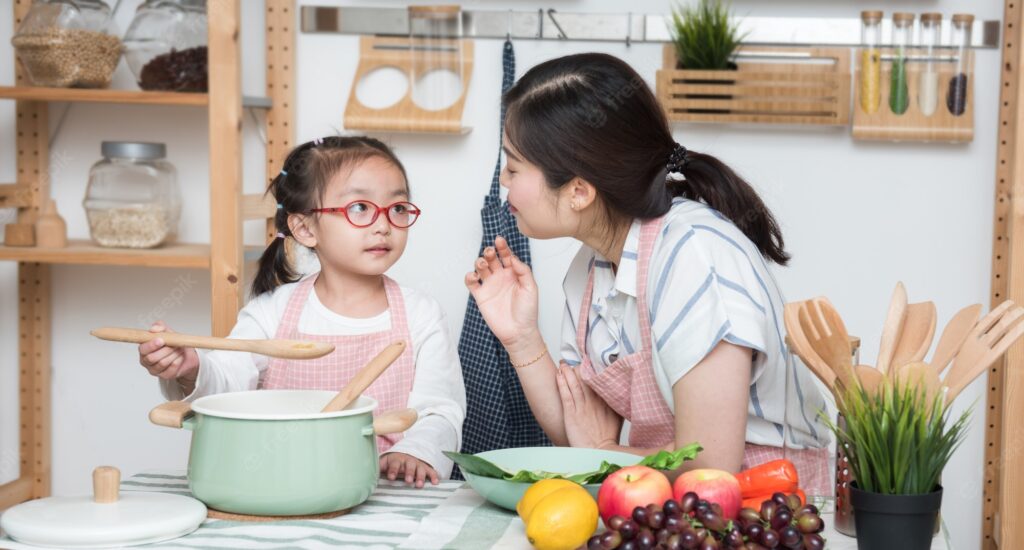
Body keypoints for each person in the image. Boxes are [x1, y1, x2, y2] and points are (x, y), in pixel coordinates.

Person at [465, 53, 830, 488]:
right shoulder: (592, 267)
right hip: (671, 508)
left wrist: (604, 452)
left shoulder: (694, 256)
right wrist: (522, 339)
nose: (504, 181)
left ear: (578, 191)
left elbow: (710, 466)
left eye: (513, 166)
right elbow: (575, 434)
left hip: (769, 507)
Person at [139, 136, 466, 487]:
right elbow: (227, 384)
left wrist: (415, 452)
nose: (383, 224)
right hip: (284, 482)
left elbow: (439, 410)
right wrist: (190, 369)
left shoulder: (421, 314)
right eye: (360, 207)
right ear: (305, 228)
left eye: (397, 208)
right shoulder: (272, 311)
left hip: (385, 490)